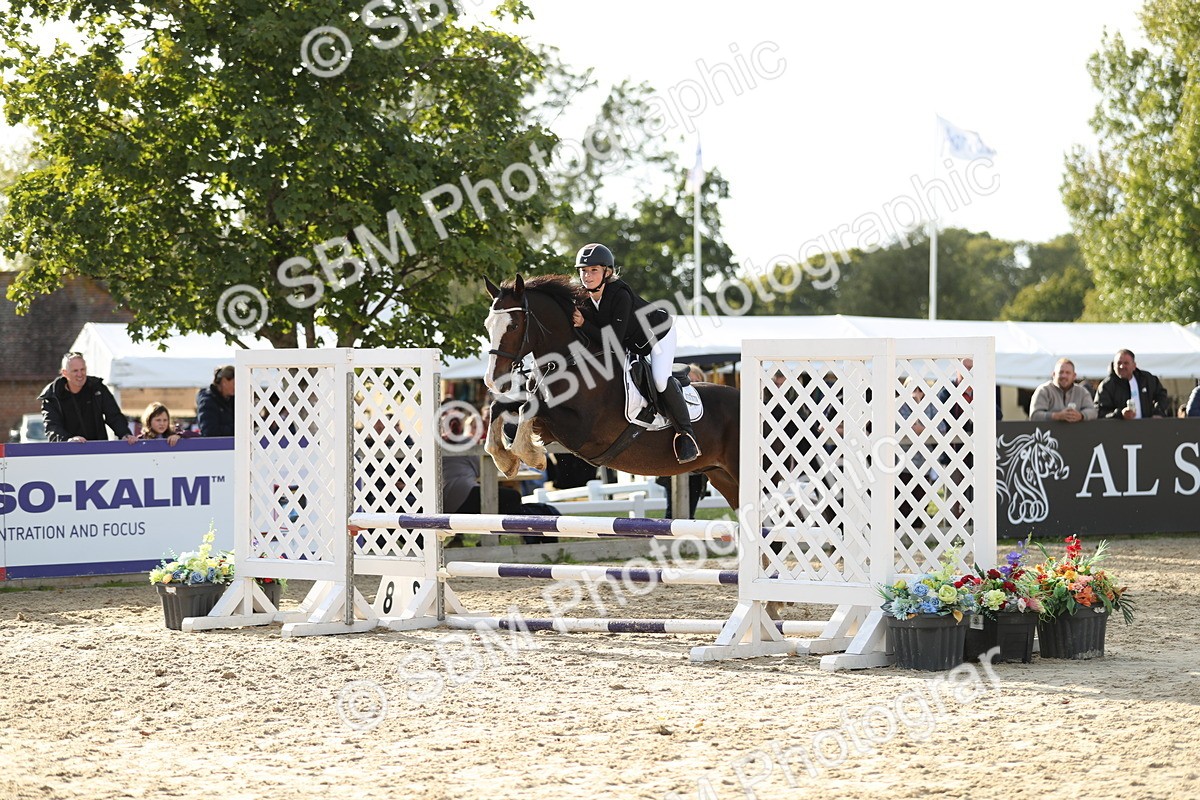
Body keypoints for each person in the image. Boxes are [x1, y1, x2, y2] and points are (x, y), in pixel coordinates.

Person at [570, 242, 699, 464]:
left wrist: (583, 325)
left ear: (607, 272)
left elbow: (614, 340)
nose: (587, 276)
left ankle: (686, 435)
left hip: (659, 336)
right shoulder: (582, 298)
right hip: (633, 343)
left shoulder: (620, 295)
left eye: (593, 270)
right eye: (583, 271)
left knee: (659, 379)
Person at [39, 352, 135, 443]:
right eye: (75, 371)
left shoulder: (97, 388)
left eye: (82, 369)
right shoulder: (52, 396)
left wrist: (125, 434)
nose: (80, 374)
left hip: (98, 449)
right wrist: (68, 440)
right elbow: (52, 427)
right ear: (65, 373)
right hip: (67, 453)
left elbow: (113, 415)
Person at [1095, 349, 1170, 419]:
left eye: (1126, 363)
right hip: (1119, 430)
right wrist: (1120, 414)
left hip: (1147, 427)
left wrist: (1158, 412)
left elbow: (1162, 396)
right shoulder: (1107, 386)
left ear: (1134, 366)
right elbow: (1100, 412)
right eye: (1119, 363)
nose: (1122, 366)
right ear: (1114, 366)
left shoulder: (1146, 379)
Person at [1029, 359, 1098, 423]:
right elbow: (1035, 415)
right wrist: (1057, 416)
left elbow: (1093, 412)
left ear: (1074, 376)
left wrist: (1081, 415)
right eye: (1061, 372)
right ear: (1053, 374)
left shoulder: (1082, 392)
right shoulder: (1043, 390)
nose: (1064, 376)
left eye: (1068, 373)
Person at [196, 365, 236, 436]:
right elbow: (209, 431)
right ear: (224, 381)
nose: (236, 387)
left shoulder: (232, 400)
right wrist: (237, 428)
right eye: (234, 383)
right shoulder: (207, 401)